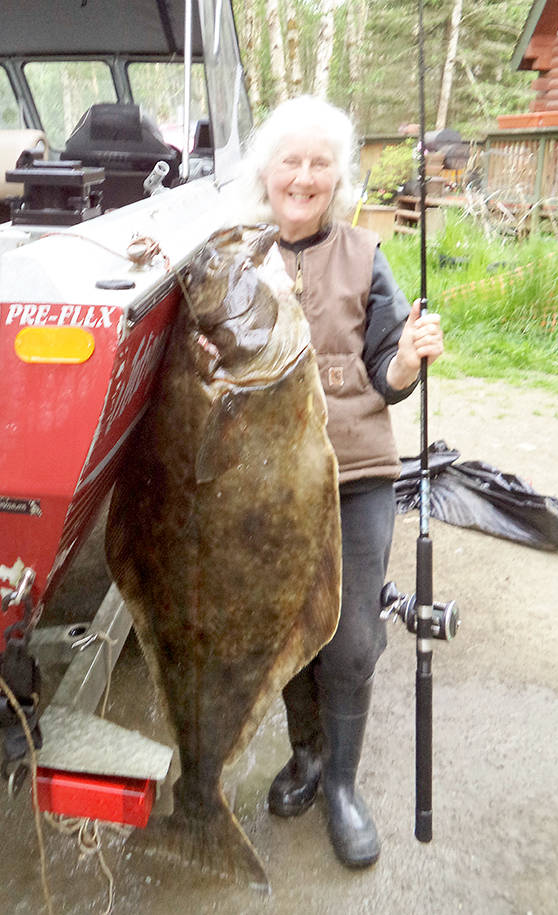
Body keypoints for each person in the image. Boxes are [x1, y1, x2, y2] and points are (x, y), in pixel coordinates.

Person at [234, 96, 444, 869]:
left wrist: (408, 358)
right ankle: (308, 756)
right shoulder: (238, 255)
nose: (305, 175)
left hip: (354, 473)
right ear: (266, 171)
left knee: (351, 639)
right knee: (290, 638)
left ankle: (344, 786)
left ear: (338, 176)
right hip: (267, 484)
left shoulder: (366, 255)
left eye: (321, 161)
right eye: (291, 159)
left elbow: (388, 374)